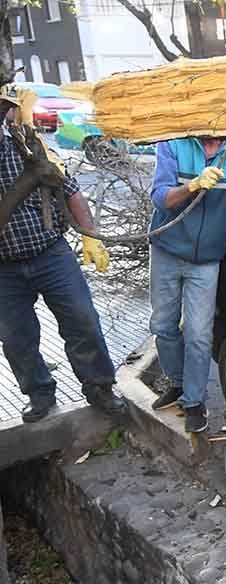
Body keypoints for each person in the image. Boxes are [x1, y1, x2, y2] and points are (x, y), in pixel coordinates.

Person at [0, 85, 126, 423]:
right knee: (15, 337)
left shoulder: (27, 147)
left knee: (82, 320)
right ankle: (39, 394)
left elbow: (70, 189)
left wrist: (90, 237)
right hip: (4, 270)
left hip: (50, 253)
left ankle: (99, 386)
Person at [148, 136, 226, 433]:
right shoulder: (175, 144)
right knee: (163, 326)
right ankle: (177, 383)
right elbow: (159, 196)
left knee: (199, 334)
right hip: (167, 250)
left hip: (207, 261)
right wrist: (192, 186)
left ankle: (194, 400)